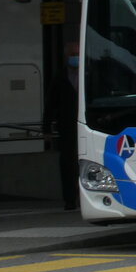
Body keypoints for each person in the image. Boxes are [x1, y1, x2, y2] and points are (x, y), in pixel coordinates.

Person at [43, 41, 79, 210]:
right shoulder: (60, 77)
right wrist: (46, 128)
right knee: (67, 163)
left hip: (88, 124)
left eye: (77, 54)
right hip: (68, 126)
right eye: (72, 55)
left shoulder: (90, 74)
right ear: (66, 58)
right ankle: (70, 199)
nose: (75, 58)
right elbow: (50, 104)